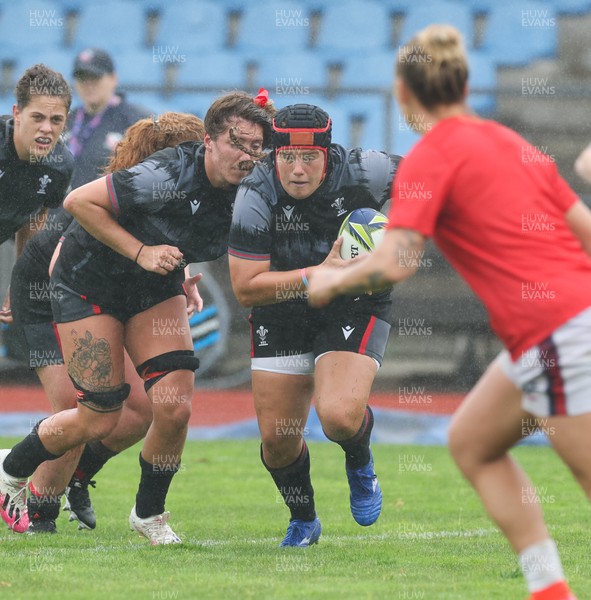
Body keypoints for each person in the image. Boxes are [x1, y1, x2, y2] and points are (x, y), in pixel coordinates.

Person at [307, 24, 589, 600]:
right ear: (463, 83)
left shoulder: (430, 156)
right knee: (472, 443)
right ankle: (549, 590)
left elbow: (397, 261)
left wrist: (330, 280)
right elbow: (584, 230)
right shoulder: (510, 142)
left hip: (558, 333)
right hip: (559, 327)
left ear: (404, 93)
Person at [0, 90, 275, 544]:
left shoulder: (253, 188)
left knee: (171, 405)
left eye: (256, 147)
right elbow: (76, 219)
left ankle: (146, 512)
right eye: (237, 143)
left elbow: (177, 226)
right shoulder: (162, 174)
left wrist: (181, 271)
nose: (248, 156)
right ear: (206, 142)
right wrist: (144, 253)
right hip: (83, 286)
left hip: (148, 288)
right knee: (94, 413)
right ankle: (19, 478)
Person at [10, 112, 206, 534]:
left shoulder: (178, 197)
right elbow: (67, 263)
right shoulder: (116, 198)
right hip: (48, 294)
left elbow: (162, 243)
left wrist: (179, 277)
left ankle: (77, 478)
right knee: (77, 408)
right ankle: (37, 513)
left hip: (106, 296)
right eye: (187, 156)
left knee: (138, 411)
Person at [227, 103, 401, 547]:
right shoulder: (255, 193)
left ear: (330, 154)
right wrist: (314, 276)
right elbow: (246, 288)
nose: (297, 169)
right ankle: (304, 519)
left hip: (352, 300)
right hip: (280, 305)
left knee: (339, 418)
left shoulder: (367, 170)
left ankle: (359, 461)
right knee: (278, 442)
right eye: (287, 157)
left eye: (309, 158)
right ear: (274, 156)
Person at [0, 64, 74, 319]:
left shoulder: (61, 166)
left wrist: (19, 283)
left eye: (56, 120)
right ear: (17, 113)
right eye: (37, 117)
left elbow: (34, 220)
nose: (47, 128)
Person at [65, 48, 150, 190]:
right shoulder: (66, 121)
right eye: (82, 78)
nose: (88, 84)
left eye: (95, 77)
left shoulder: (138, 121)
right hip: (63, 208)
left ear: (113, 79)